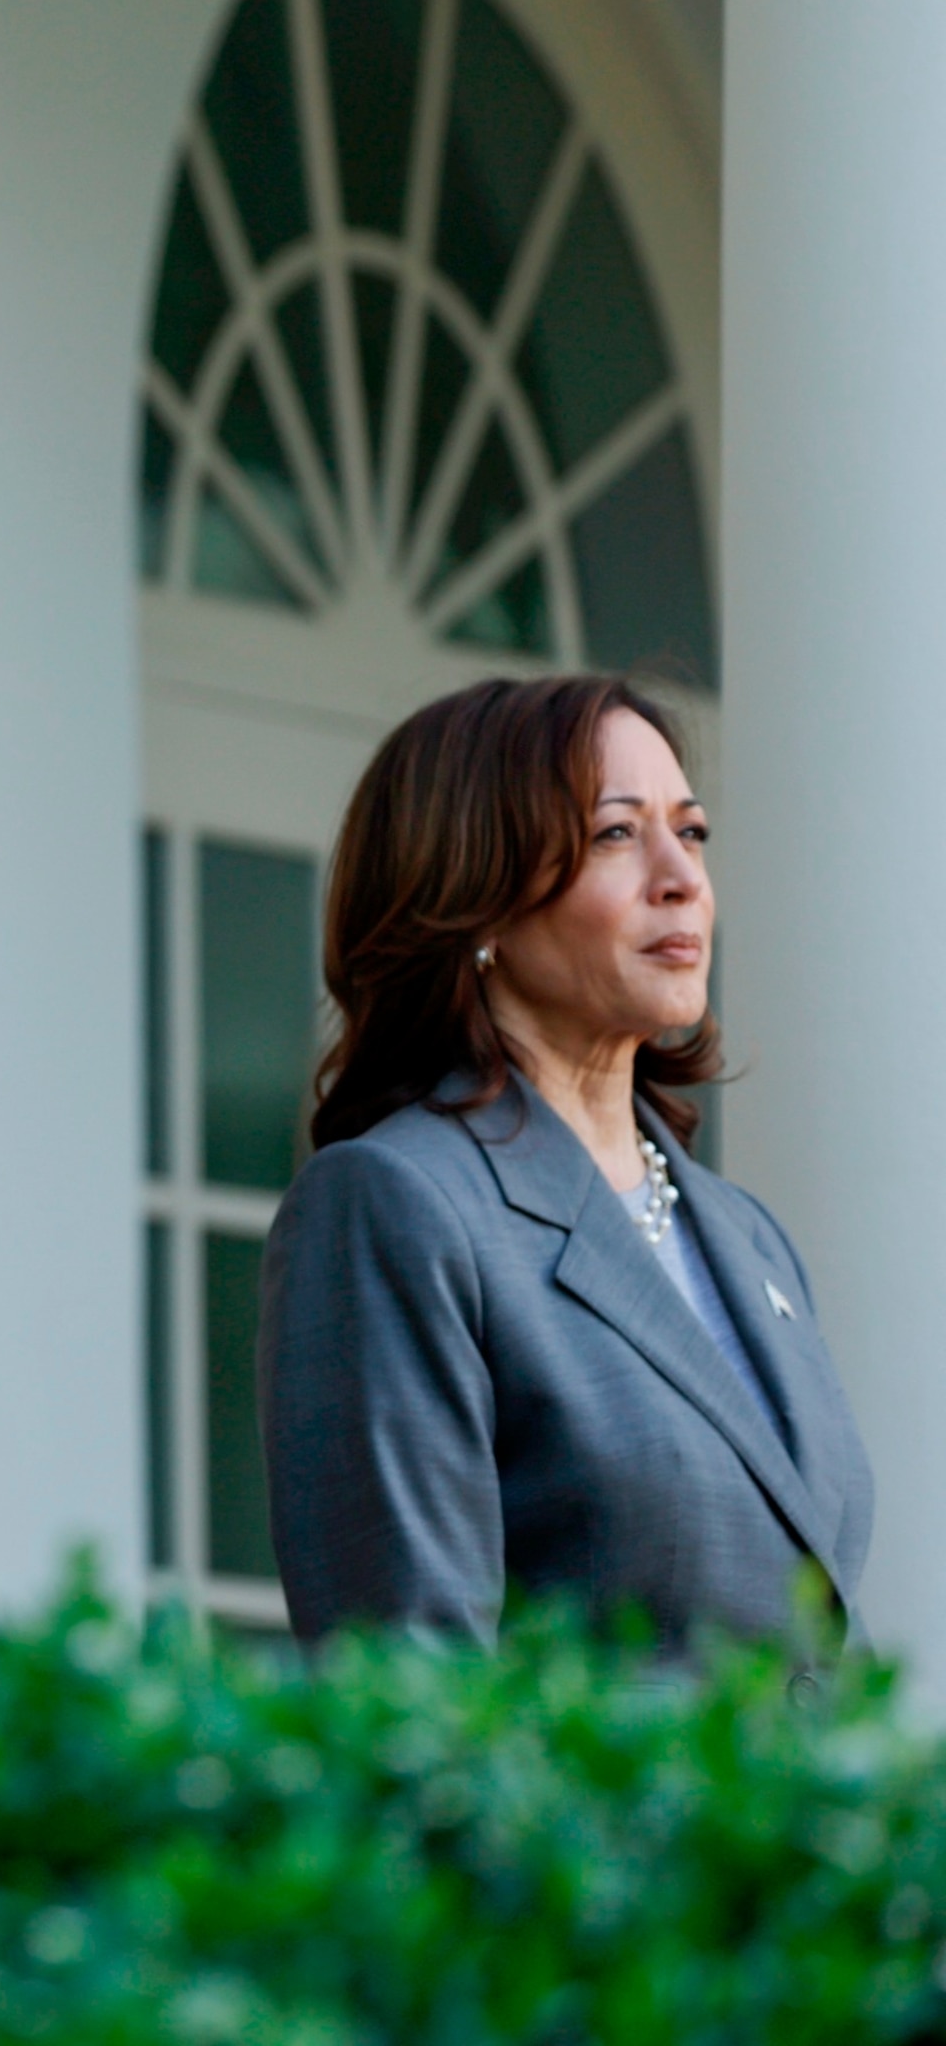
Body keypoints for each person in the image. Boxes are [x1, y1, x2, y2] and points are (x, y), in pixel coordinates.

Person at [261, 675, 872, 1648]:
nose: (681, 877)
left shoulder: (751, 1239)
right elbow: (412, 1684)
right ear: (477, 901)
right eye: (617, 835)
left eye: (693, 831)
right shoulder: (397, 1201)